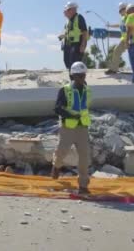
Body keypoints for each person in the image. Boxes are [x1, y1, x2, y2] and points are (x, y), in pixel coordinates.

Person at [52, 61, 91, 194]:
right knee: (61, 153)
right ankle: (56, 167)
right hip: (68, 127)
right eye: (79, 76)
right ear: (73, 76)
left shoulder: (87, 89)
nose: (82, 78)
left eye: (83, 75)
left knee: (84, 157)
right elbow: (57, 108)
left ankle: (83, 185)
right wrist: (70, 115)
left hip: (82, 128)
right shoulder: (65, 90)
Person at [59, 2, 89, 71]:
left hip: (76, 44)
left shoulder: (79, 18)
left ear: (72, 10)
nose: (65, 12)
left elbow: (85, 31)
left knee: (74, 63)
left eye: (66, 10)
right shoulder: (68, 21)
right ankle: (72, 79)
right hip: (68, 45)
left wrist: (83, 44)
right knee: (67, 62)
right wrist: (62, 36)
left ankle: (78, 80)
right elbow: (68, 33)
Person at [105, 2, 129, 74]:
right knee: (116, 51)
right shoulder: (123, 18)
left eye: (121, 11)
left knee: (133, 55)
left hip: (130, 39)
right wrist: (110, 26)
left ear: (125, 9)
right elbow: (119, 25)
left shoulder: (130, 17)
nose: (120, 13)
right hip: (124, 40)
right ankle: (114, 69)